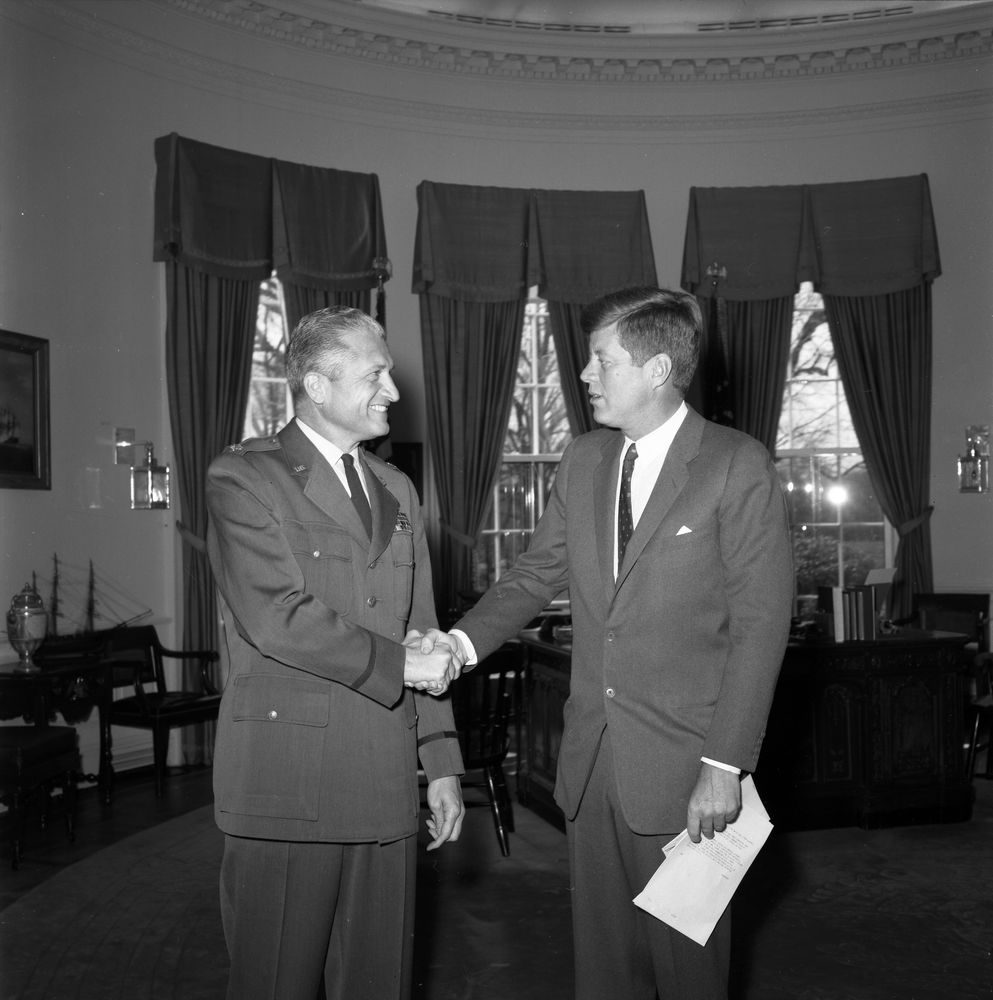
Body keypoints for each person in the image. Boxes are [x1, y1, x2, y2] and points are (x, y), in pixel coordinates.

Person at [424, 286, 793, 999]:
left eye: (601, 360)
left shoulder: (733, 464)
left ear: (657, 369)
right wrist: (458, 647)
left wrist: (723, 764)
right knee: (604, 972)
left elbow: (759, 626)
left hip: (690, 775)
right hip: (591, 767)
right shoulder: (585, 459)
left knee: (686, 976)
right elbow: (534, 574)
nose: (586, 376)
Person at [206, 306, 466, 1000]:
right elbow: (275, 616)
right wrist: (402, 664)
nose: (393, 391)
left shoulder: (396, 489)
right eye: (375, 373)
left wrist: (439, 763)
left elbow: (421, 625)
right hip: (288, 784)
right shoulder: (244, 479)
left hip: (384, 783)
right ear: (316, 385)